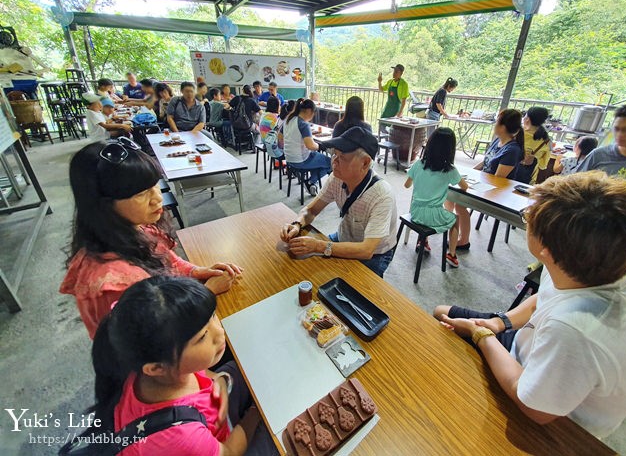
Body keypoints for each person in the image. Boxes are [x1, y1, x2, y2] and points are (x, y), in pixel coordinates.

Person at [433, 171, 626, 438]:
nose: (527, 221)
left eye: (529, 219)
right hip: (531, 348)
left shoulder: (576, 330)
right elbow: (542, 299)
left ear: (547, 250)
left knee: (444, 396)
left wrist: (481, 334)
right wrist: (499, 323)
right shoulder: (593, 268)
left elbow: (534, 409)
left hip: (558, 420)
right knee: (441, 313)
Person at [71, 276, 275, 455]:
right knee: (279, 434)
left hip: (209, 418)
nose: (220, 331)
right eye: (203, 336)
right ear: (156, 368)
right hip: (217, 445)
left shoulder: (151, 366)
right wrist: (258, 410)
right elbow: (229, 452)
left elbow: (202, 372)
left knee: (244, 366)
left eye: (212, 316)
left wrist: (217, 380)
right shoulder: (182, 437)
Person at [60, 140, 242, 338]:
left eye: (155, 185)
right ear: (103, 205)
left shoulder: (133, 227)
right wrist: (207, 292)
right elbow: (155, 334)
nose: (157, 198)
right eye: (141, 193)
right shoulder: (115, 282)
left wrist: (197, 271)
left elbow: (170, 262)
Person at [280, 127, 398, 277]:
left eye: (342, 157)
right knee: (304, 267)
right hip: (345, 236)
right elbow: (311, 211)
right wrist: (296, 224)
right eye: (334, 154)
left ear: (365, 163)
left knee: (354, 290)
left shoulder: (382, 195)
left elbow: (366, 250)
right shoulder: (336, 178)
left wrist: (319, 246)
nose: (334, 161)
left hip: (376, 253)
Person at [453, 108, 524, 249]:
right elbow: (485, 162)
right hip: (483, 182)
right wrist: (468, 173)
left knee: (459, 202)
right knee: (450, 193)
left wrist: (472, 182)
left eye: (497, 121)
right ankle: (450, 226)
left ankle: (464, 240)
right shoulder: (497, 141)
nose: (494, 124)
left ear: (503, 127)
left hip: (496, 190)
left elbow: (497, 179)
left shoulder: (512, 150)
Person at [404, 128, 469, 268]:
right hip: (433, 214)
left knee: (427, 214)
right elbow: (464, 187)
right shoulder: (450, 170)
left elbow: (406, 185)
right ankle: (451, 254)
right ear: (450, 149)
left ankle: (423, 240)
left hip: (415, 212)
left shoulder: (419, 164)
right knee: (454, 219)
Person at [283, 98, 331, 194]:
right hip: (301, 160)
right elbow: (310, 146)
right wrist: (320, 146)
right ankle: (311, 181)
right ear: (309, 111)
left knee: (318, 159)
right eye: (313, 113)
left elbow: (280, 137)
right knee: (331, 163)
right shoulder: (303, 124)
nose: (313, 116)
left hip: (288, 158)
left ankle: (312, 184)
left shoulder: (289, 119)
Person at [516, 107, 551, 184]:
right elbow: (543, 165)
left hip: (509, 172)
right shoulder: (547, 140)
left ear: (527, 119)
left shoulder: (516, 133)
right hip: (528, 178)